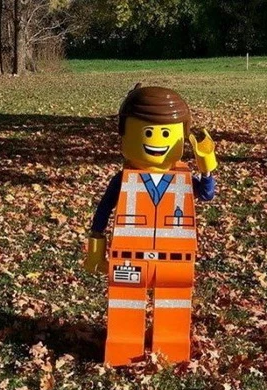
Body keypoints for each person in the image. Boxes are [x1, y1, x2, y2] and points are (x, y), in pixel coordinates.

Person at [84, 84, 216, 366]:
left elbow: (206, 193)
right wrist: (96, 246)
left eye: (167, 133)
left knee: (174, 304)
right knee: (125, 304)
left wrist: (206, 164)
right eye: (148, 131)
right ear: (126, 135)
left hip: (176, 257)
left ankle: (172, 347)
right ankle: (123, 346)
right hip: (128, 256)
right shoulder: (123, 179)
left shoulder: (182, 177)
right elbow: (103, 211)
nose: (157, 139)